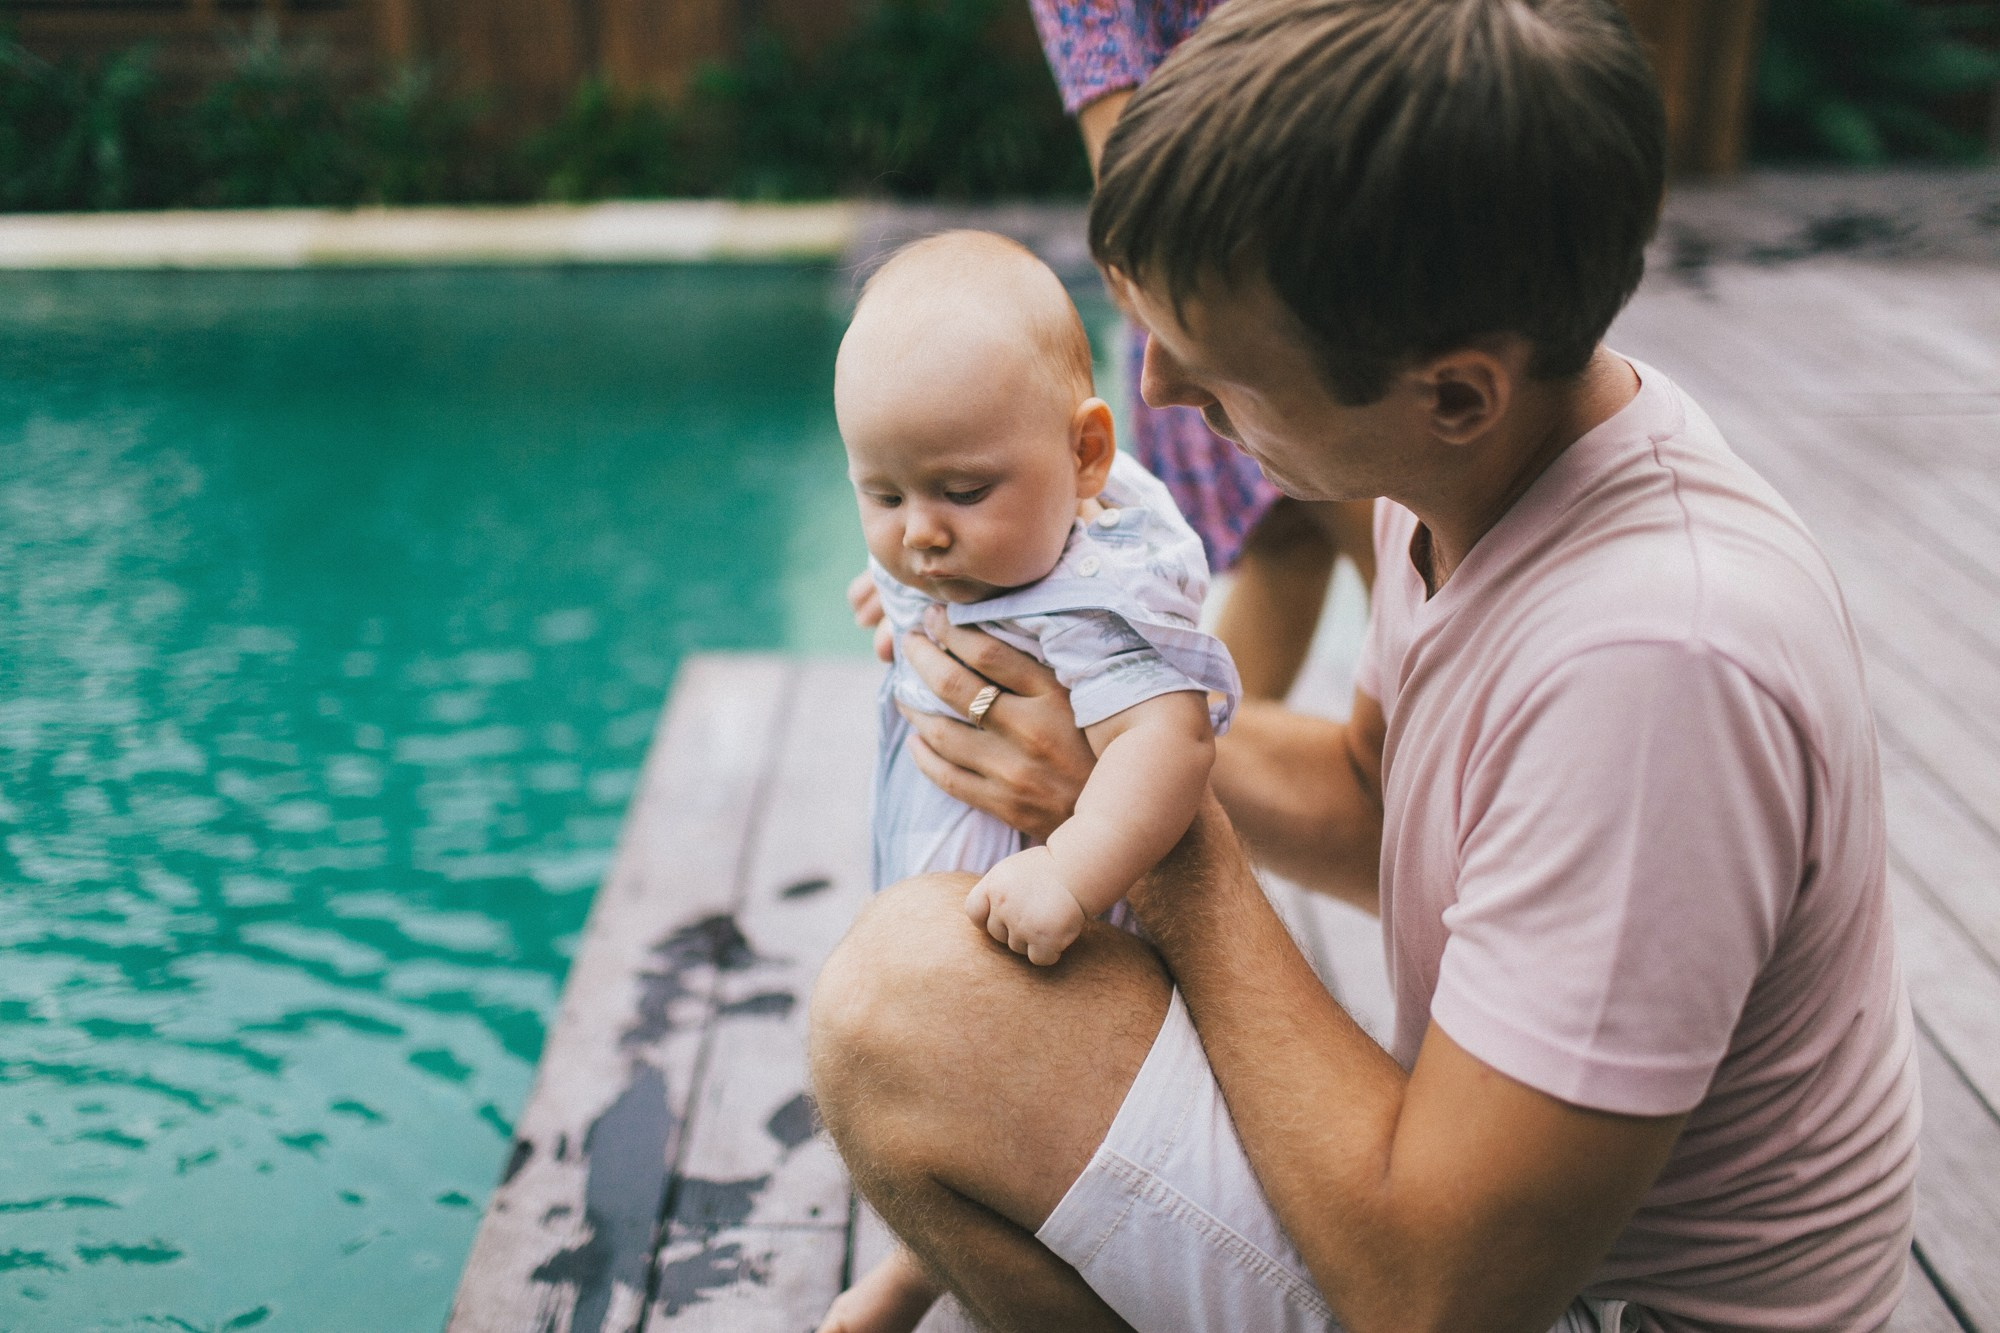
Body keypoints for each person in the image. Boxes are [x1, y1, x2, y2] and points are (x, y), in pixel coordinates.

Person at [810, 2, 1920, 1332]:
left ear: (1454, 391)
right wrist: (1086, 727)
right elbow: (1372, 797)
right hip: (1491, 1248)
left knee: (903, 1010)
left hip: (1562, 1301)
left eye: (1223, 367)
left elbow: (1434, 1299)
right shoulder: (1471, 475)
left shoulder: (1657, 669)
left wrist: (1145, 829)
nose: (1160, 391)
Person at [821, 229, 1241, 1333]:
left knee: (978, 1088)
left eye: (959, 489)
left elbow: (1170, 744)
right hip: (945, 859)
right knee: (925, 1095)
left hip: (1061, 921)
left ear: (1087, 455)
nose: (918, 533)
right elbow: (911, 557)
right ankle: (922, 1269)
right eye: (881, 494)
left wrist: (1071, 867)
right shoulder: (973, 540)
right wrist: (895, 600)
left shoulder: (1092, 596)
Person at [1028, 0, 1378, 701]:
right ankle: (1166, 772)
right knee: (1353, 544)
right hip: (1238, 294)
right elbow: (1131, 177)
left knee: (1326, 544)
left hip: (1318, 270)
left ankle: (1171, 773)